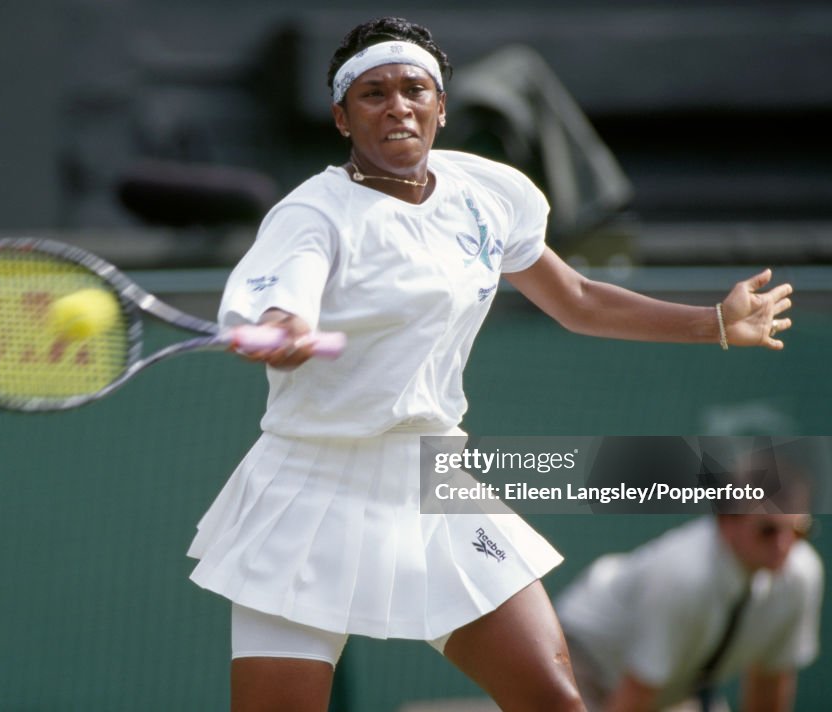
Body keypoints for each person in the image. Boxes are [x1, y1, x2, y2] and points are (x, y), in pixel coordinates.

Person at [185, 17, 794, 712]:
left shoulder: (486, 194)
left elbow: (579, 300)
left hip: (431, 482)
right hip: (308, 492)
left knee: (555, 701)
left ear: (440, 106)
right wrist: (282, 325)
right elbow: (280, 299)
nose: (397, 106)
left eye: (415, 89)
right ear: (341, 116)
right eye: (373, 93)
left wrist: (713, 323)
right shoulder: (311, 216)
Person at [556, 458, 823, 712]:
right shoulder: (684, 576)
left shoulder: (802, 574)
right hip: (582, 666)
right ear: (727, 520)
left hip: (669, 687)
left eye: (799, 530)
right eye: (768, 530)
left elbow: (771, 678)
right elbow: (635, 697)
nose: (784, 545)